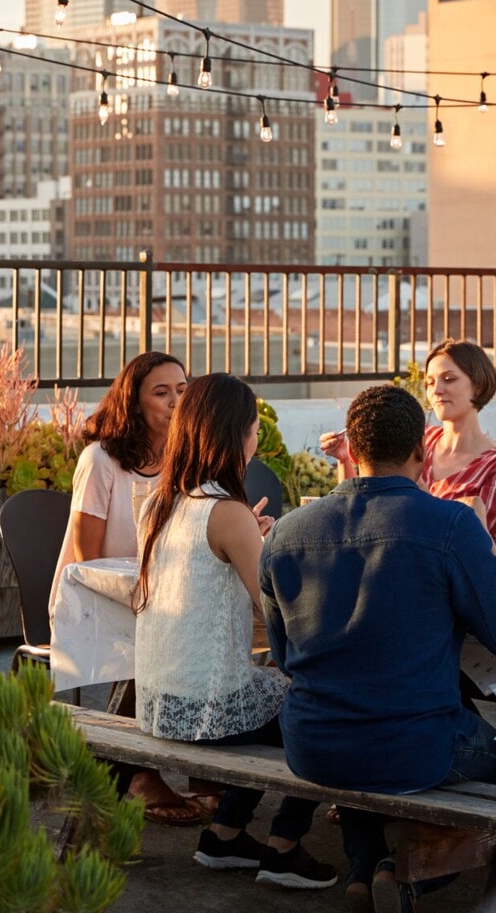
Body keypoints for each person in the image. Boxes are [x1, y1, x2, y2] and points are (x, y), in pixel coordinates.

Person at [265, 384, 496, 905]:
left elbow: (282, 654)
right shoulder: (451, 524)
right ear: (420, 450)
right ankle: (408, 871)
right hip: (415, 749)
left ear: (354, 450)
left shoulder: (286, 532)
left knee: (364, 734)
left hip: (311, 745)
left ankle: (363, 871)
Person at [132, 373, 338, 891]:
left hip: (158, 704)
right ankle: (285, 846)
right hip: (207, 711)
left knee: (282, 691)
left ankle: (225, 834)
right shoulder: (227, 512)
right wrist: (263, 545)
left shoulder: (160, 502)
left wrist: (253, 538)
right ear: (235, 435)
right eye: (252, 430)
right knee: (333, 711)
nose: (256, 442)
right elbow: (286, 614)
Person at [54, 350, 204, 826]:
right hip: (97, 598)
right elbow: (86, 558)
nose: (176, 401)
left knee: (215, 631)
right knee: (168, 637)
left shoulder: (187, 455)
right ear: (134, 403)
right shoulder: (101, 459)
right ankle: (139, 772)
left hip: (164, 594)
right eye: (162, 393)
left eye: (182, 390)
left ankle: (206, 769)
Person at [320, 339, 496, 561]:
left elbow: (495, 555)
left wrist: (425, 498)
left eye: (449, 379)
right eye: (430, 383)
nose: (437, 390)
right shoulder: (419, 437)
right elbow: (359, 506)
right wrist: (345, 459)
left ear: (478, 385)